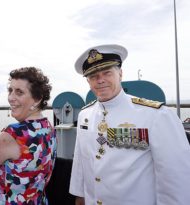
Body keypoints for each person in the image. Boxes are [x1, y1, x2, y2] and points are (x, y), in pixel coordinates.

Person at [69, 44, 190, 205]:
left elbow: (175, 176)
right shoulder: (85, 115)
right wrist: (79, 197)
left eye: (107, 73)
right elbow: (80, 163)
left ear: (120, 74)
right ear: (88, 82)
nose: (100, 80)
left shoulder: (156, 115)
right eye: (93, 76)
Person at [0, 67, 57, 204]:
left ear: (37, 99)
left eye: (19, 92)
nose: (11, 98)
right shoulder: (48, 127)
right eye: (10, 90)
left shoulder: (13, 132)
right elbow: (23, 155)